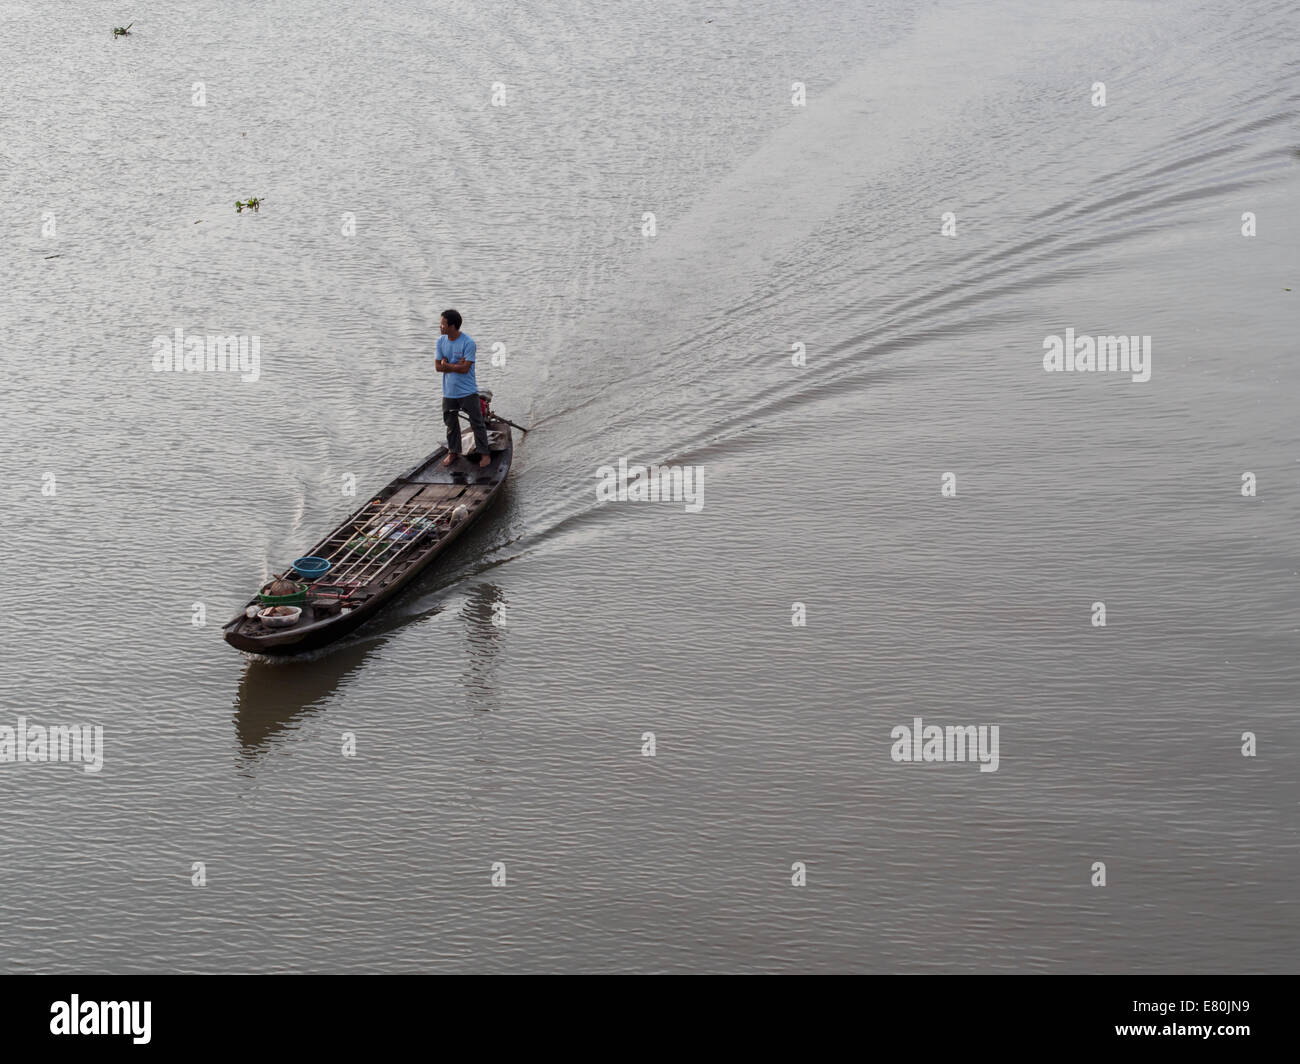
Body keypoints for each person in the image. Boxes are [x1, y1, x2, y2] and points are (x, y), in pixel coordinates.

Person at [435, 308, 491, 468]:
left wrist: (447, 364)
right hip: (449, 392)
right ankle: (453, 451)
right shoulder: (440, 342)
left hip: (467, 391)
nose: (440, 327)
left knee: (477, 422)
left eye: (443, 325)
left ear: (453, 326)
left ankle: (484, 453)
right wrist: (454, 365)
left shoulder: (468, 343)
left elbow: (465, 369)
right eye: (440, 324)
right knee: (450, 422)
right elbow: (438, 367)